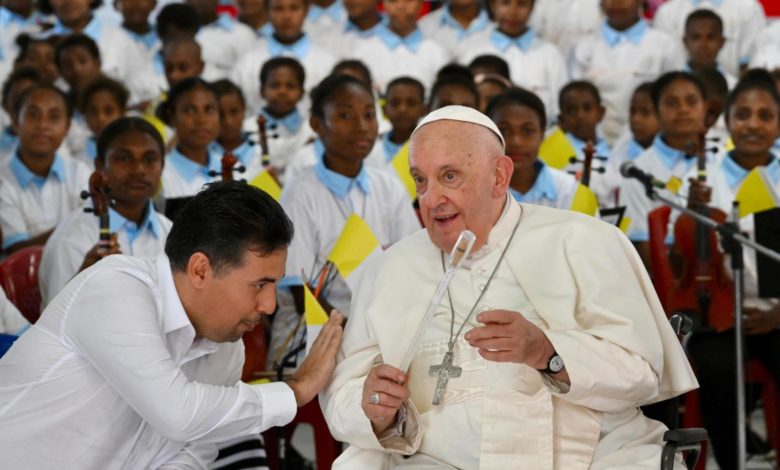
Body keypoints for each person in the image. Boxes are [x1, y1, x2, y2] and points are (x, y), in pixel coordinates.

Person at [321, 104, 697, 468]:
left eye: (449, 176)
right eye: (421, 179)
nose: (432, 199)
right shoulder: (388, 269)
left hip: (591, 457)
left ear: (499, 176)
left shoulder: (585, 241)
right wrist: (375, 412)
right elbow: (343, 396)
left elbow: (643, 374)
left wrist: (547, 352)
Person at [0, 180, 344, 468]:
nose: (269, 305)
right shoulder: (115, 287)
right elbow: (177, 413)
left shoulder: (227, 348)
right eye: (259, 284)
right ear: (200, 270)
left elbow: (193, 450)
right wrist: (294, 391)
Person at [675, 69, 780, 470]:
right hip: (718, 314)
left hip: (774, 311)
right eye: (744, 114)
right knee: (717, 370)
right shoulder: (703, 177)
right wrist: (693, 208)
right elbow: (681, 256)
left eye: (765, 115)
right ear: (728, 121)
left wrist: (777, 312)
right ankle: (732, 461)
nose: (753, 124)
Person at [39, 116, 171, 306]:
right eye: (123, 159)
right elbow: (55, 324)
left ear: (162, 166)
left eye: (150, 159)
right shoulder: (71, 239)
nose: (139, 169)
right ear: (100, 166)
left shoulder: (171, 232)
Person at [620, 71, 710, 269]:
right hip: (671, 287)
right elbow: (647, 258)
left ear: (706, 108)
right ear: (657, 111)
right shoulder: (638, 172)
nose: (683, 109)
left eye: (691, 101)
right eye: (672, 103)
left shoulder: (724, 159)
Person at [569, 0, 683, 145]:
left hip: (649, 144)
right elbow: (574, 100)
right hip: (592, 143)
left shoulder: (664, 46)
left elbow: (673, 99)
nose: (617, 3)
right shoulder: (582, 46)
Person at [0, 84, 90, 253]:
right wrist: (75, 225)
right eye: (33, 115)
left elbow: (93, 233)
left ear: (67, 127)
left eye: (54, 117)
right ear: (15, 121)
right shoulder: (3, 180)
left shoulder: (80, 173)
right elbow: (17, 250)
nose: (43, 125)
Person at [459, 0, 567, 126]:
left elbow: (560, 112)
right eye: (505, 3)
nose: (513, 12)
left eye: (521, 4)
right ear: (492, 6)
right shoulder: (472, 51)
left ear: (532, 7)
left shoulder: (550, 54)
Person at [487, 87, 578, 208]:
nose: (516, 142)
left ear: (542, 134)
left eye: (528, 131)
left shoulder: (569, 190)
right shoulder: (474, 189)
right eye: (504, 130)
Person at [350, 0, 448, 92]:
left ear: (421, 3)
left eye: (409, 0)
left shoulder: (437, 52)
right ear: (383, 3)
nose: (401, 6)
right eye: (393, 0)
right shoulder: (363, 51)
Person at [158, 77, 222, 198]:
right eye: (190, 110)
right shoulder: (160, 175)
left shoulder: (233, 167)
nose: (201, 120)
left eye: (209, 109)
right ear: (172, 116)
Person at [555, 80, 616, 206]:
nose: (580, 116)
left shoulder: (616, 151)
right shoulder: (556, 154)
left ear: (601, 112)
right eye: (572, 110)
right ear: (561, 119)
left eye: (587, 108)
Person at [381, 76, 426, 163]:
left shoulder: (433, 148)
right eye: (395, 103)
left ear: (423, 109)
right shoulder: (371, 148)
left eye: (411, 103)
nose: (402, 109)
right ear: (384, 109)